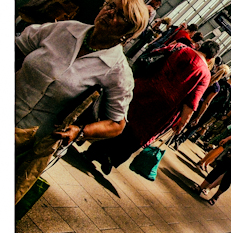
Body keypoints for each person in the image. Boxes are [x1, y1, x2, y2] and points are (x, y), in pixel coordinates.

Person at [16, 0, 149, 198]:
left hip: (32, 142)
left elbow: (116, 124)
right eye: (109, 6)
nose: (109, 13)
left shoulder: (118, 72)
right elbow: (19, 48)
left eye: (121, 15)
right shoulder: (65, 30)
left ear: (128, 33)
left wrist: (79, 132)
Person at [87, 39, 219, 174]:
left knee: (121, 118)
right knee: (138, 134)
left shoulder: (180, 48)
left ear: (200, 46)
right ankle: (111, 158)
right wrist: (183, 123)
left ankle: (95, 150)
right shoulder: (205, 75)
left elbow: (155, 53)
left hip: (144, 89)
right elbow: (192, 102)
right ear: (210, 58)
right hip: (163, 110)